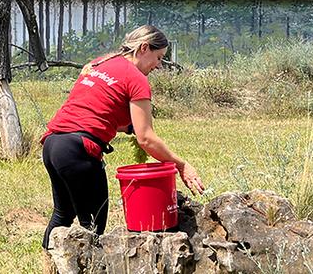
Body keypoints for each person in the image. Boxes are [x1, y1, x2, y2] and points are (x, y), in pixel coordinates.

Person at [40, 25, 205, 250]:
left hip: (53, 144)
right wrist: (181, 165)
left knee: (63, 214)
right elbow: (145, 138)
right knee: (92, 229)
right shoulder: (136, 78)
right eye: (158, 57)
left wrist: (127, 127)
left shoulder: (99, 63)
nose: (158, 65)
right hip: (78, 150)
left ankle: (49, 266)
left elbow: (96, 111)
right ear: (144, 48)